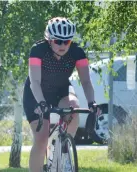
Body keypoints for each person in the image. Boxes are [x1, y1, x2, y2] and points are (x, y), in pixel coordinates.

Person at [22, 17, 101, 172]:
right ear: (49, 40)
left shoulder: (77, 52)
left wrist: (92, 102)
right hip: (36, 94)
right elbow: (35, 82)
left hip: (61, 91)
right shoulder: (38, 50)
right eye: (58, 41)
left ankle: (63, 151)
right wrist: (41, 103)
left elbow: (86, 81)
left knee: (74, 108)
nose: (63, 45)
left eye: (67, 41)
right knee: (41, 139)